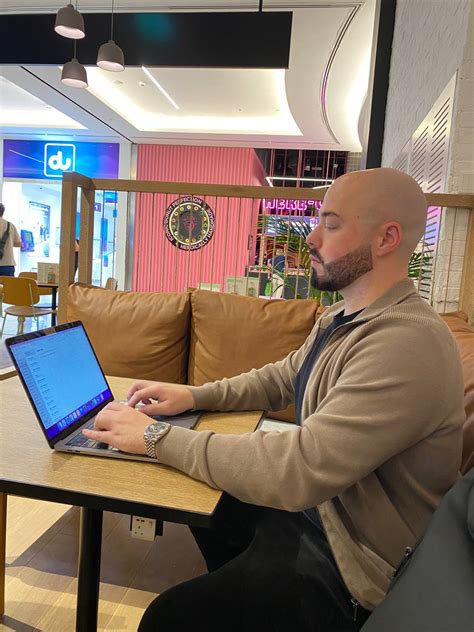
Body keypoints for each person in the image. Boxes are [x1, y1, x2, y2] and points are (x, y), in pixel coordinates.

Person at [84, 168, 466, 631]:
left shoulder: (407, 343)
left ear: (386, 238)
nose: (312, 238)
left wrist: (154, 438)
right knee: (205, 502)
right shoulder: (344, 316)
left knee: (166, 620)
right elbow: (283, 378)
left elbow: (299, 469)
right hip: (322, 513)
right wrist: (193, 395)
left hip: (353, 569)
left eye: (331, 224)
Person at [0, 203, 21, 277]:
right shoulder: (10, 225)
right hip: (8, 264)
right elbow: (18, 244)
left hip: (7, 264)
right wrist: (8, 243)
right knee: (8, 284)